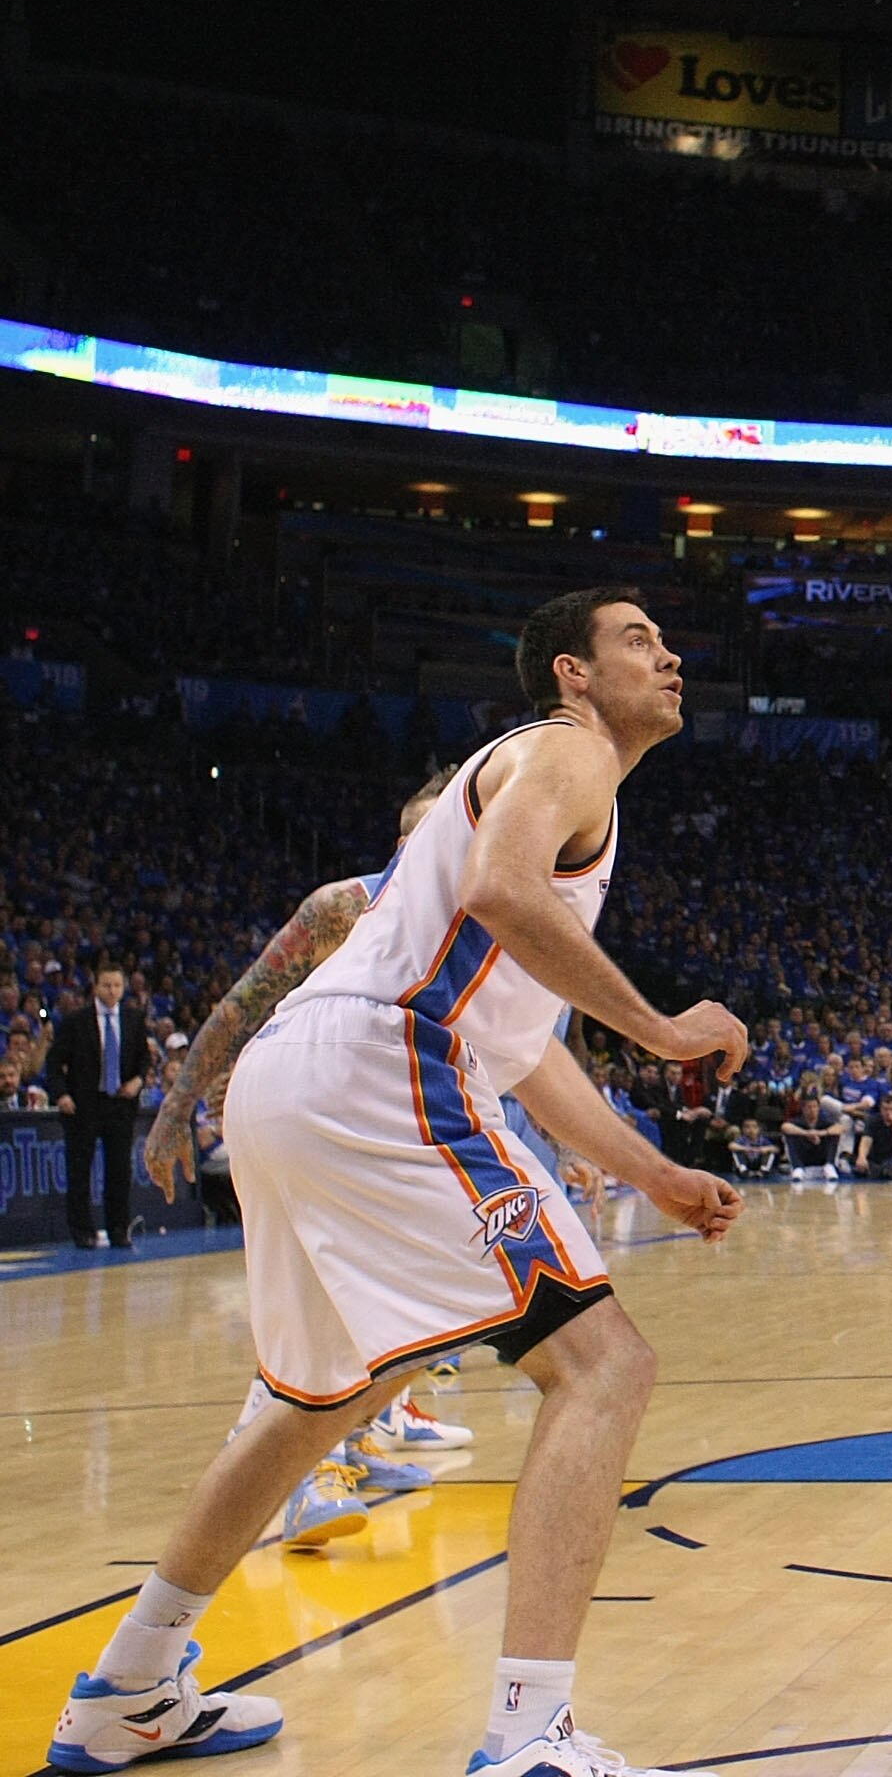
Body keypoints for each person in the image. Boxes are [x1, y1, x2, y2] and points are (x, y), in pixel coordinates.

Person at [50, 586, 748, 1777]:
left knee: (314, 1403)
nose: (669, 652)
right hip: (383, 1065)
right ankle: (531, 1735)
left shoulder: (558, 784)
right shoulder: (567, 750)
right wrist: (665, 1029)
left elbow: (522, 1047)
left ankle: (127, 1686)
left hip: (299, 1079)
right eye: (637, 638)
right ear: (572, 674)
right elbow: (502, 893)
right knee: (604, 1363)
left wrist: (655, 1171)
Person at [144, 769, 480, 1552]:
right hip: (302, 1118)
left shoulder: (466, 926)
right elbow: (237, 1007)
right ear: (406, 843)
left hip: (383, 1129)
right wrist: (172, 1113)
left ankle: (355, 1444)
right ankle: (300, 1483)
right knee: (318, 1313)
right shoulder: (343, 907)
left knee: (414, 1312)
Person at [49, 964, 152, 1251]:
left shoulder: (133, 1019)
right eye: (107, 985)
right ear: (96, 986)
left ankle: (119, 1229)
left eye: (117, 986)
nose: (112, 991)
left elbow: (144, 1058)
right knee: (79, 1172)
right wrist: (61, 1095)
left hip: (119, 1104)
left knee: (119, 1171)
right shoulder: (75, 1021)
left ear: (123, 987)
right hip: (84, 1104)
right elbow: (54, 1062)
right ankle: (82, 1232)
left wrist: (138, 1081)